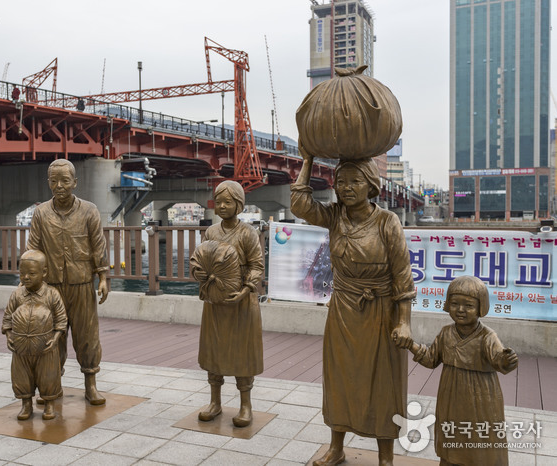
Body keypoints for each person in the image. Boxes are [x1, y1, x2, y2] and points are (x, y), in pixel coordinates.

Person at [291, 153, 415, 465]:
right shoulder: (334, 216)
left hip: (381, 312)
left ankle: (385, 455)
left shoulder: (388, 221)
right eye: (341, 182)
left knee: (384, 382)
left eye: (355, 181)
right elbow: (300, 206)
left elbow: (402, 277)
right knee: (339, 377)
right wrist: (307, 159)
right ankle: (336, 447)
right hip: (343, 308)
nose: (346, 188)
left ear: (370, 185)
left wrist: (403, 322)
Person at [399, 275, 518, 466]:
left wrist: (507, 360)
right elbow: (431, 359)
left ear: (481, 307)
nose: (461, 310)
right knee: (451, 434)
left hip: (481, 398)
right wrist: (410, 345)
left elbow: (499, 360)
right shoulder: (446, 333)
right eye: (455, 304)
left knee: (480, 439)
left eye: (469, 305)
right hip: (451, 397)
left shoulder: (487, 336)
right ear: (447, 304)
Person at [27, 159, 109, 405]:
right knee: (52, 337)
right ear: (49, 183)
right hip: (50, 287)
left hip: (82, 284)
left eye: (65, 181)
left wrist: (103, 277)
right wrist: (29, 281)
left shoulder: (89, 211)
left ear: (75, 182)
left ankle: (91, 385)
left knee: (87, 336)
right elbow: (33, 248)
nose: (59, 186)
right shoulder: (41, 213)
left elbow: (98, 246)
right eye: (54, 181)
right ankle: (52, 385)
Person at [190, 180, 264, 427]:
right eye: (218, 201)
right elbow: (202, 259)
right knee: (214, 349)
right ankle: (215, 401)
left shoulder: (248, 233)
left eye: (228, 202)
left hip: (242, 302)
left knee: (242, 352)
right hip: (215, 301)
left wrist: (246, 290)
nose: (222, 206)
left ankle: (245, 405)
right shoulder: (211, 232)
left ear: (239, 205)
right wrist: (200, 274)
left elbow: (257, 266)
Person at [2, 250, 67, 421]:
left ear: (44, 273)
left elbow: (61, 319)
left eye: (31, 273)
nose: (26, 278)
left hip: (45, 345)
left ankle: (49, 404)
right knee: (21, 376)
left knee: (48, 375)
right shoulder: (17, 295)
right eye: (22, 273)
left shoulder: (52, 294)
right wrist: (9, 335)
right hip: (21, 346)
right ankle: (26, 404)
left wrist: (56, 337)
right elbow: (7, 317)